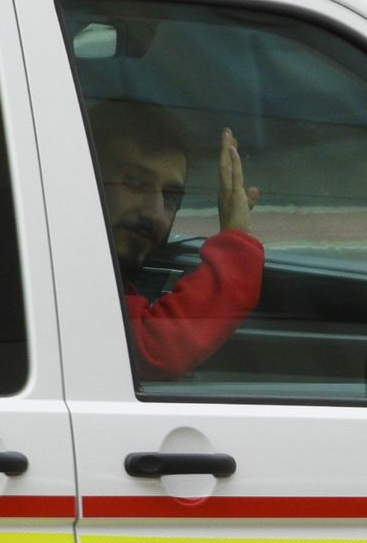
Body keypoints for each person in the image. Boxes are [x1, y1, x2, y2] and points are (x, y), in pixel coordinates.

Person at [87, 96, 259, 379]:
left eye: (170, 197)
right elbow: (156, 349)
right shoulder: (63, 272)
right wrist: (237, 243)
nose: (154, 211)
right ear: (84, 179)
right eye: (134, 182)